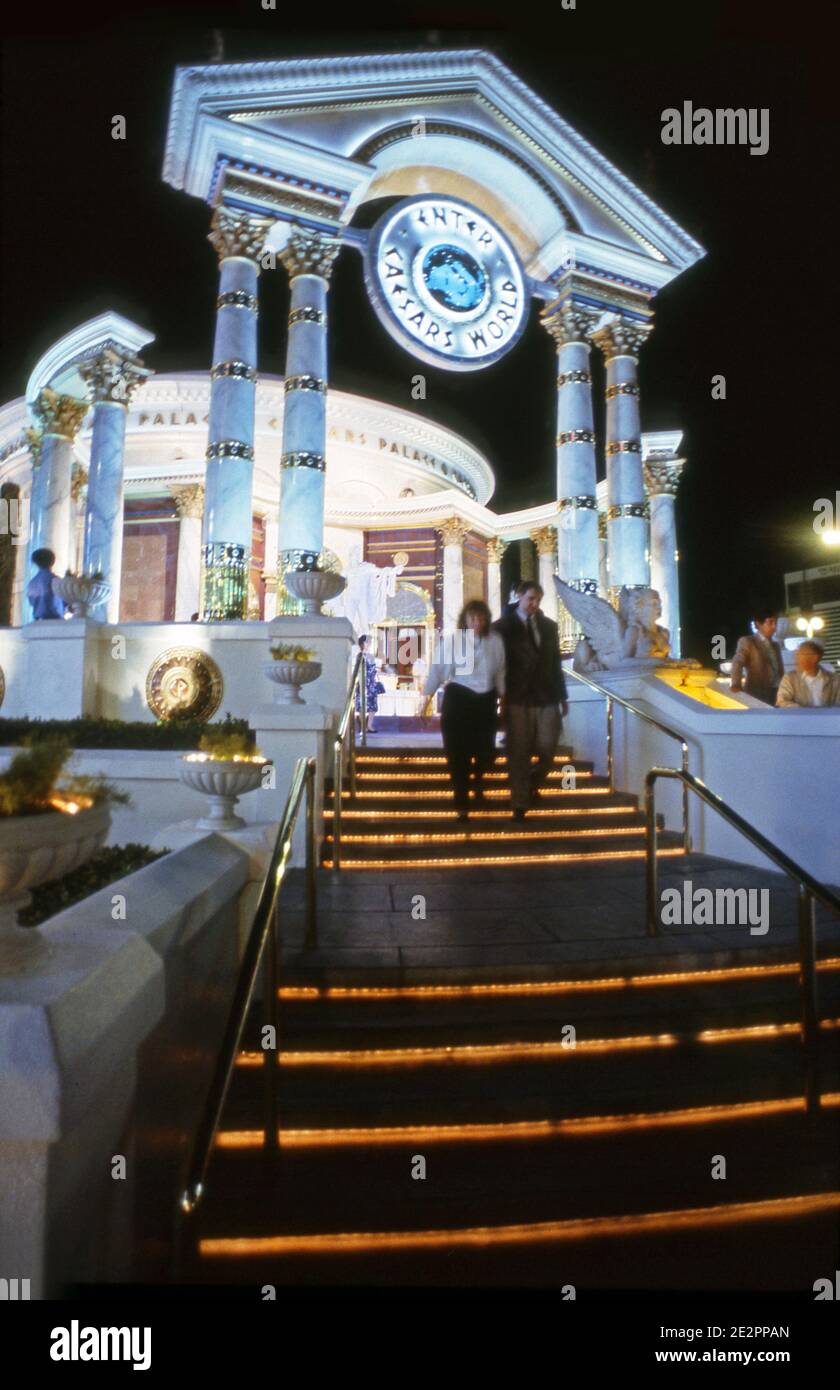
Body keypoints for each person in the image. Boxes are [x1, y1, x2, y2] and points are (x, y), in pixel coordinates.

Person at [493, 581, 568, 821]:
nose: (534, 604)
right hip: (517, 696)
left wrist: (563, 696)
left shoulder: (549, 626)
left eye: (537, 600)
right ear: (519, 596)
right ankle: (519, 802)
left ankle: (530, 783)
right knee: (519, 751)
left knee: (548, 748)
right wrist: (499, 697)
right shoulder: (501, 627)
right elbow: (498, 664)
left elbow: (555, 663)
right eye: (530, 599)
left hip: (547, 694)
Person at [424, 600, 505, 821]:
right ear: (465, 620)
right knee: (457, 753)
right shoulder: (452, 642)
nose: (477, 622)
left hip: (485, 701)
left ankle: (477, 784)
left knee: (485, 750)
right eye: (473, 618)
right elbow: (437, 671)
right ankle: (461, 801)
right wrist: (425, 700)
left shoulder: (495, 642)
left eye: (481, 617)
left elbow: (500, 673)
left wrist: (503, 699)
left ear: (487, 619)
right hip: (458, 699)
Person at [730, 609, 784, 705]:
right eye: (770, 622)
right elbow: (737, 662)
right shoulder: (748, 642)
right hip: (757, 695)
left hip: (777, 693)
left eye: (776, 623)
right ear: (758, 624)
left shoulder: (776, 645)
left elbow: (780, 671)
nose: (774, 627)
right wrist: (736, 683)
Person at [776, 641, 840, 707]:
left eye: (801, 654)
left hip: (828, 717)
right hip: (800, 716)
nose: (797, 658)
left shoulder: (834, 679)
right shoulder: (790, 678)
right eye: (797, 654)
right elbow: (782, 701)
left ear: (815, 657)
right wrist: (803, 711)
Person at [27, 548, 65, 620]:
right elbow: (64, 601)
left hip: (38, 620)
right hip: (56, 620)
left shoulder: (32, 582)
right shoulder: (57, 580)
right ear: (52, 561)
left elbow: (31, 601)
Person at [354, 635, 382, 733]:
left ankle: (369, 725)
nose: (368, 644)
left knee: (373, 706)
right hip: (363, 683)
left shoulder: (371, 656)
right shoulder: (360, 655)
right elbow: (357, 670)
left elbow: (373, 670)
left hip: (371, 684)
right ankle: (364, 726)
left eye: (369, 642)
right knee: (362, 705)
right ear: (362, 644)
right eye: (367, 642)